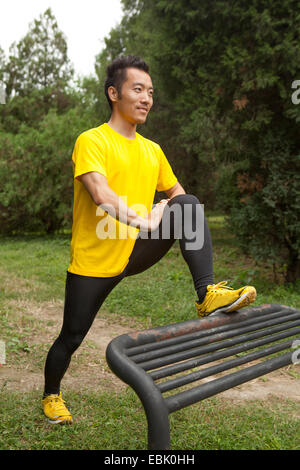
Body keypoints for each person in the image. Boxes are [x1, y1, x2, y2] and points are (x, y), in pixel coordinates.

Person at [42, 55, 256, 425]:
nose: (146, 99)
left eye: (151, 92)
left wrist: (168, 216)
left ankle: (206, 294)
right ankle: (51, 394)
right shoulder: (91, 141)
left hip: (135, 250)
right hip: (94, 261)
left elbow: (181, 198)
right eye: (137, 90)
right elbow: (101, 195)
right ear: (114, 93)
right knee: (72, 336)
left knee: (188, 204)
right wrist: (148, 218)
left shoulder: (152, 150)